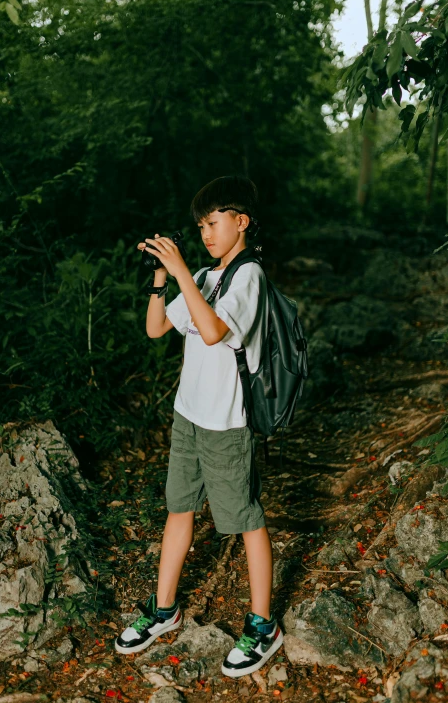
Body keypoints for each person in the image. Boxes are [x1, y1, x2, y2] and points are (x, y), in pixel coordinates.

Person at [115, 176, 283, 677]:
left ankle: (262, 624)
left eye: (213, 222)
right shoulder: (206, 276)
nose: (206, 233)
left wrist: (183, 271)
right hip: (188, 415)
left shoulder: (248, 278)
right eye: (200, 226)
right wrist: (161, 278)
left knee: (245, 518)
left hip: (227, 425)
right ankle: (165, 610)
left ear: (241, 222)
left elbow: (213, 331)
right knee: (179, 508)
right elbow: (155, 328)